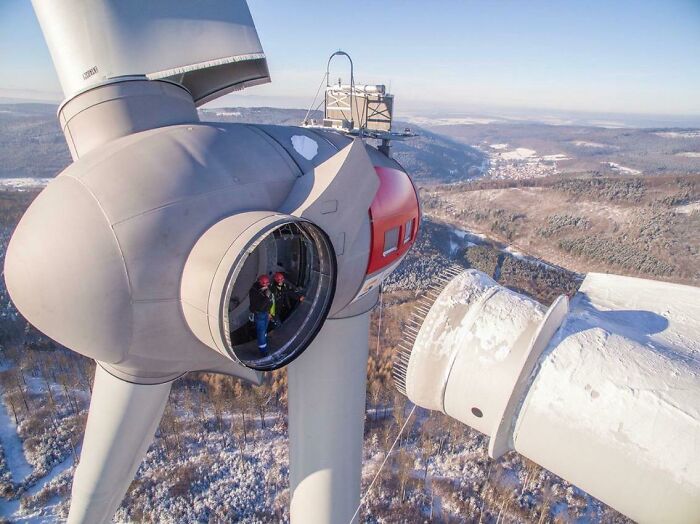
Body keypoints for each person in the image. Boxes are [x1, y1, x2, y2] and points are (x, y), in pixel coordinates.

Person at [248, 274, 273, 354]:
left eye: (267, 283)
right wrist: (266, 298)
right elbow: (260, 307)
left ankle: (263, 341)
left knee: (264, 330)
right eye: (264, 284)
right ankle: (263, 351)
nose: (266, 285)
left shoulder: (262, 289)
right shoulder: (255, 292)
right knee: (261, 332)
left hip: (265, 313)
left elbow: (269, 303)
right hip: (260, 314)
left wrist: (269, 312)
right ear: (260, 283)